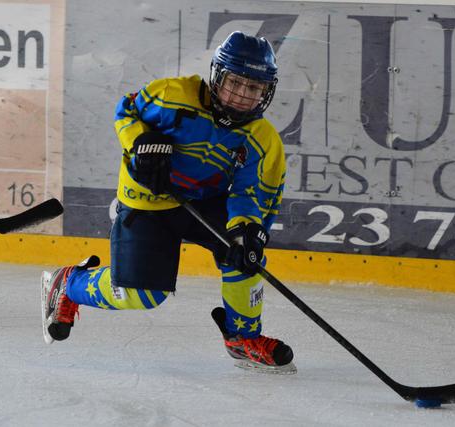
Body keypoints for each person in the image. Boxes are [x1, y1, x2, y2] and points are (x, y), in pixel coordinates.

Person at [41, 31, 295, 374]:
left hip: (205, 201)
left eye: (253, 88)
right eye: (235, 83)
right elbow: (126, 111)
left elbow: (250, 195)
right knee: (142, 295)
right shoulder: (172, 96)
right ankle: (70, 284)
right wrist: (141, 142)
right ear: (217, 76)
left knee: (245, 252)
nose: (241, 96)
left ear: (267, 92)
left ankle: (242, 337)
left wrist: (246, 231)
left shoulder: (264, 141)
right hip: (149, 200)